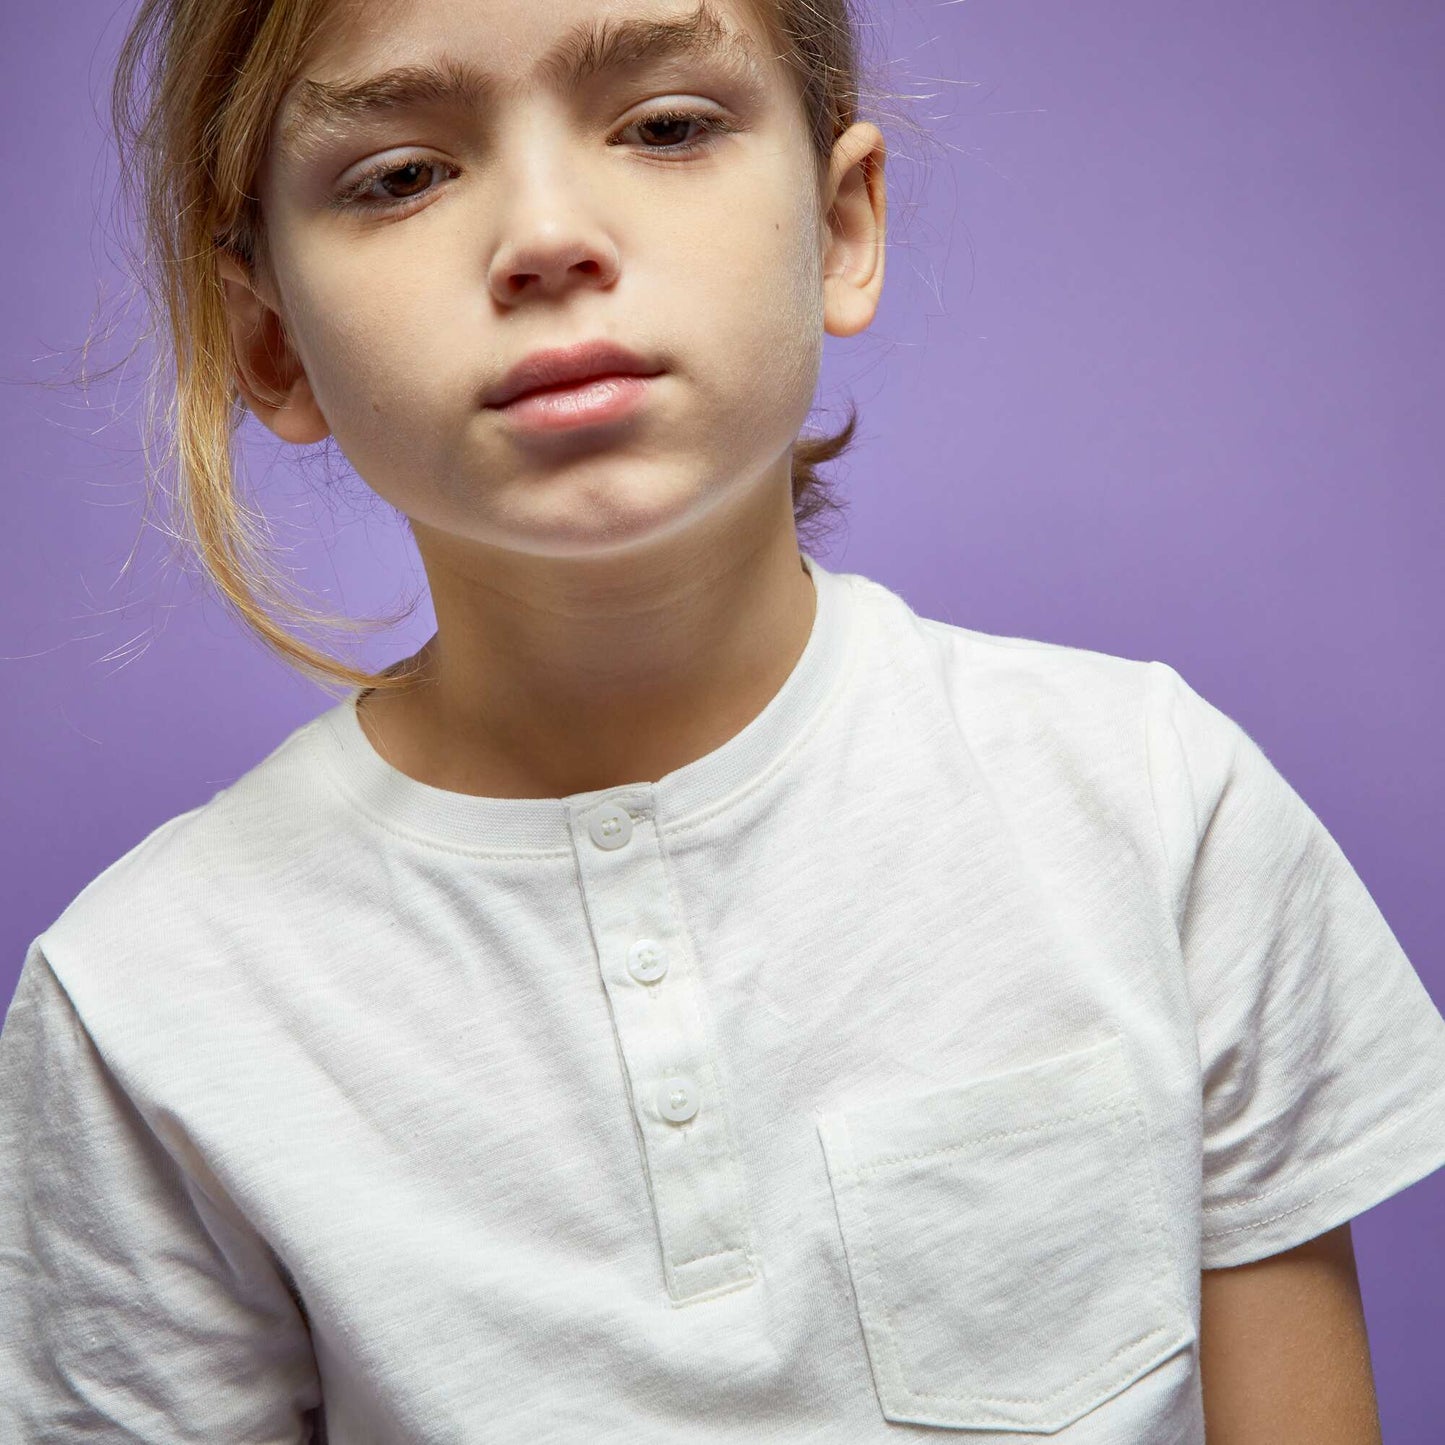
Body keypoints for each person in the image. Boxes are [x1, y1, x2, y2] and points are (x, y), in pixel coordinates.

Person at [2, 0, 1443, 1440]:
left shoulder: (1151, 802)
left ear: (843, 226)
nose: (547, 235)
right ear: (268, 341)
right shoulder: (143, 1009)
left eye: (666, 127)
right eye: (401, 174)